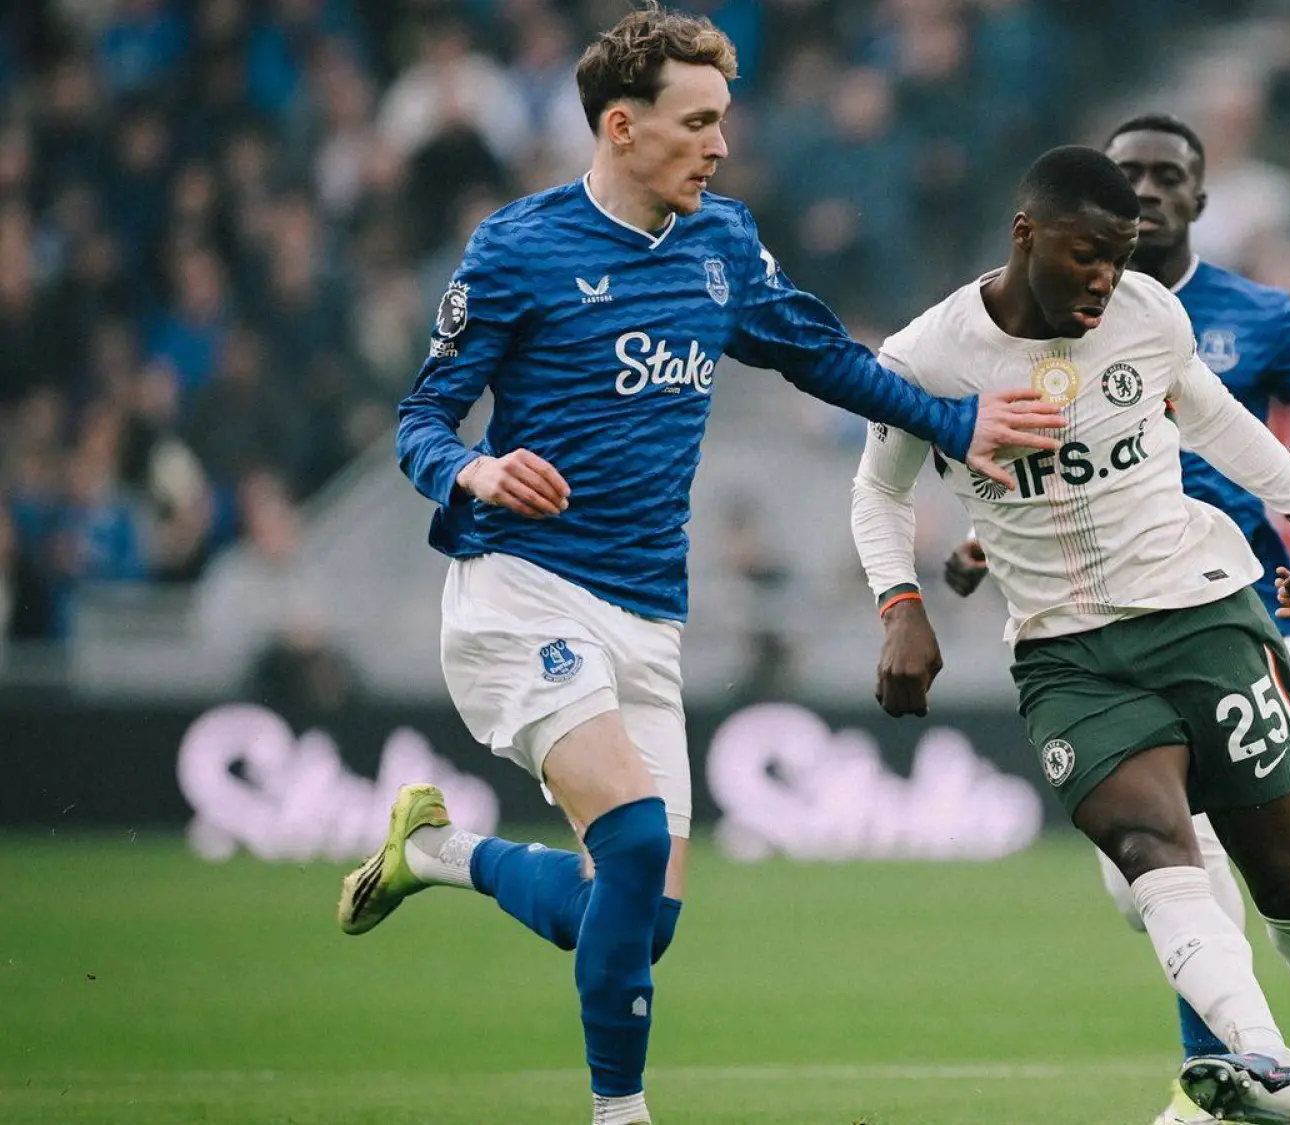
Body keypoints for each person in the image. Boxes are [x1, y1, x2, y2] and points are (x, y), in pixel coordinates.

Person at [331, 10, 1062, 1125]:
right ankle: (620, 1114)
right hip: (522, 586)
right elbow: (420, 420)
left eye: (724, 119)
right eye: (697, 122)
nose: (720, 145)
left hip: (648, 611)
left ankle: (436, 851)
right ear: (622, 127)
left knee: (638, 920)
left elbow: (818, 355)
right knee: (631, 841)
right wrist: (473, 470)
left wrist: (953, 423)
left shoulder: (721, 243)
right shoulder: (519, 248)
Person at [852, 144, 1290, 1125]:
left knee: (1284, 876)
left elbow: (1212, 417)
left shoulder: (1147, 315)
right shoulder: (927, 356)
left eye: (1120, 257)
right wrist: (899, 603)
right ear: (1025, 234)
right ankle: (1265, 1065)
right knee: (1151, 849)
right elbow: (878, 491)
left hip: (1201, 613)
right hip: (1066, 655)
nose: (1105, 278)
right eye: (1086, 254)